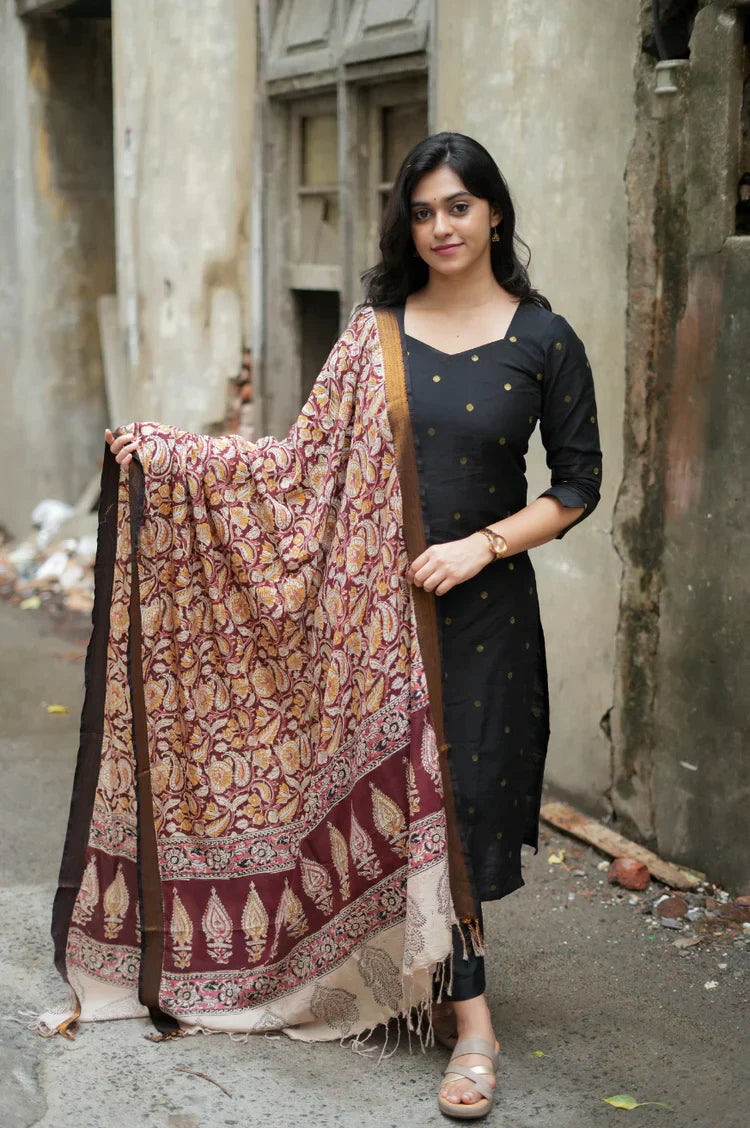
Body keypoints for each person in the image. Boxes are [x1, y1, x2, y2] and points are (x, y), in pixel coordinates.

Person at [67, 132, 600, 1123]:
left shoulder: (544, 339)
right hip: (373, 620)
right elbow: (297, 465)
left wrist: (480, 548)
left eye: (459, 207)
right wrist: (172, 457)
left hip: (486, 617)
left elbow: (576, 486)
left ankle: (445, 984)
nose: (441, 227)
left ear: (494, 215)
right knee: (419, 804)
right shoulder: (374, 336)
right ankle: (474, 1028)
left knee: (467, 804)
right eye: (423, 211)